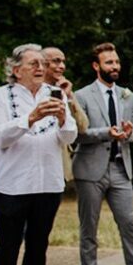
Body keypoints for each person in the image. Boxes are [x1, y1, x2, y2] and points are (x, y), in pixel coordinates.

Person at [0, 44, 76, 265]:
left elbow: (70, 136)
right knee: (7, 251)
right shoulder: (0, 95)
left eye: (42, 63)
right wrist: (31, 118)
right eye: (33, 63)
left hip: (48, 184)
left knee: (38, 251)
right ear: (15, 69)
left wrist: (63, 119)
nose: (40, 67)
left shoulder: (55, 93)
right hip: (12, 185)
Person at [73, 42, 133, 265]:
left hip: (121, 168)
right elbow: (76, 134)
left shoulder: (127, 95)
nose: (115, 67)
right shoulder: (81, 96)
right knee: (89, 226)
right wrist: (105, 133)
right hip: (90, 170)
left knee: (129, 223)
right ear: (96, 66)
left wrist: (131, 134)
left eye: (117, 62)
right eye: (109, 63)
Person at [44, 46, 90, 189]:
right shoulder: (32, 92)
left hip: (58, 167)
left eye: (63, 62)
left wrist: (69, 96)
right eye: (56, 62)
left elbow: (83, 127)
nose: (62, 66)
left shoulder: (64, 92)